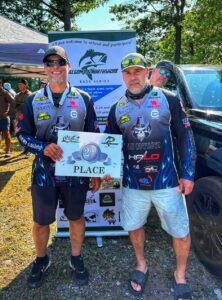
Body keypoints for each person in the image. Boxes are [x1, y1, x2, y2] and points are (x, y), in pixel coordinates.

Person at [105, 53, 196, 299]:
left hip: (167, 181)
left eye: (137, 71)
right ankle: (141, 264)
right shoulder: (117, 109)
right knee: (134, 226)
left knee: (179, 230)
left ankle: (180, 274)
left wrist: (187, 173)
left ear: (147, 71)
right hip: (133, 183)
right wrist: (102, 171)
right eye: (128, 72)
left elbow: (186, 137)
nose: (133, 77)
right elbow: (110, 148)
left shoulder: (169, 99)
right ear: (122, 76)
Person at [15, 45, 101, 289]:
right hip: (44, 171)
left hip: (76, 172)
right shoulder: (33, 100)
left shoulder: (84, 99)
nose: (55, 68)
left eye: (59, 63)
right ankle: (41, 260)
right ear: (45, 68)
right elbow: (21, 134)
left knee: (75, 216)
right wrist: (42, 147)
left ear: (68, 66)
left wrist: (94, 171)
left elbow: (93, 136)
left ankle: (75, 258)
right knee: (41, 221)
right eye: (50, 63)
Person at [0, 80, 15, 157]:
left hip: (4, 118)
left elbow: (13, 102)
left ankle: (8, 150)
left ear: (1, 84)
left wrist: (9, 113)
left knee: (6, 134)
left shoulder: (5, 93)